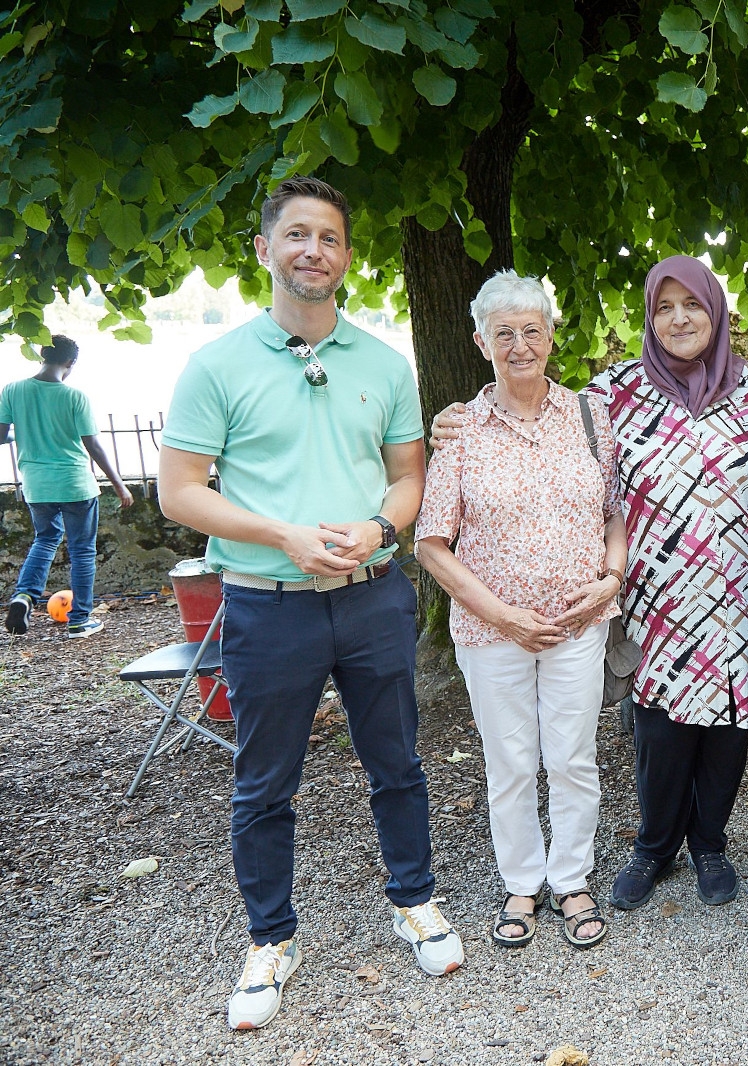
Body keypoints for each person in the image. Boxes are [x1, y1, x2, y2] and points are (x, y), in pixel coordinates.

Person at [158, 176, 462, 1032]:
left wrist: (377, 528)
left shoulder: (381, 361)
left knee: (397, 763)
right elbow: (178, 492)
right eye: (296, 235)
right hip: (269, 602)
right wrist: (281, 534)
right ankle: (271, 938)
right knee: (263, 783)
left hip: (371, 598)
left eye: (328, 238)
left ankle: (414, 899)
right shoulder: (215, 365)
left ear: (347, 257)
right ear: (264, 249)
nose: (312, 252)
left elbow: (409, 477)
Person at [432, 256, 748, 913]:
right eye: (663, 307)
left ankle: (708, 845)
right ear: (648, 318)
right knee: (660, 726)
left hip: (738, 590)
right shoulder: (614, 391)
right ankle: (652, 846)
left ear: (717, 312)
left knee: (729, 721)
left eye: (692, 305)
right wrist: (450, 420)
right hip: (653, 590)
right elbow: (535, 415)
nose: (678, 318)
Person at [415, 270, 626, 952]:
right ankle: (520, 882)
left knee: (571, 758)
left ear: (550, 336)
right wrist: (502, 615)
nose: (519, 344)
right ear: (480, 341)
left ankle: (571, 879)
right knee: (509, 762)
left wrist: (611, 577)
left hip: (576, 626)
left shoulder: (591, 418)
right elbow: (431, 544)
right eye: (503, 333)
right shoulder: (460, 432)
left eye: (531, 330)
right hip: (489, 630)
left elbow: (615, 514)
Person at [2, 334, 134, 638]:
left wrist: (23, 434)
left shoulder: (13, 390)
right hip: (75, 484)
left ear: (42, 355)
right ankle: (79, 621)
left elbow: (0, 434)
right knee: (82, 551)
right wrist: (120, 485)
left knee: (45, 539)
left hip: (37, 485)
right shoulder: (75, 397)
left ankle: (24, 595)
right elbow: (94, 447)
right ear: (71, 363)